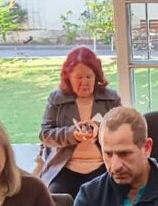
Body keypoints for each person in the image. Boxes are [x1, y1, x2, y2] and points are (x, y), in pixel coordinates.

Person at [37, 47, 121, 197]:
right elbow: (45, 134)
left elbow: (122, 131)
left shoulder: (111, 98)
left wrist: (100, 130)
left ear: (97, 76)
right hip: (65, 166)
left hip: (103, 165)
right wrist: (72, 135)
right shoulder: (56, 99)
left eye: (89, 77)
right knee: (57, 199)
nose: (85, 83)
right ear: (68, 77)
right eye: (79, 78)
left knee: (106, 198)